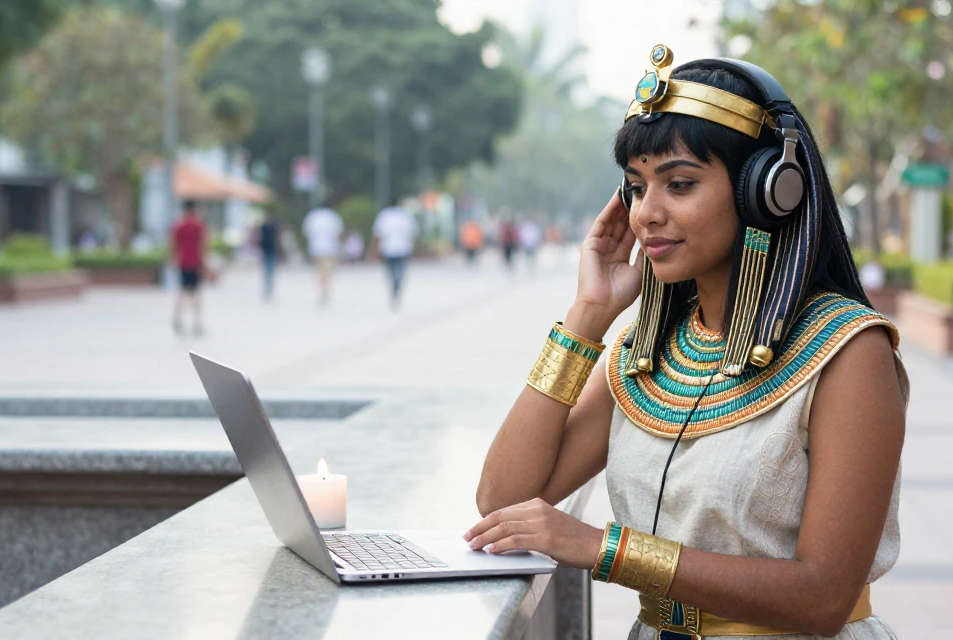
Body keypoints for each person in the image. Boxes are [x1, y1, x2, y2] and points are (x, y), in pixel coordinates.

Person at [469, 46, 907, 640]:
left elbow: (823, 597)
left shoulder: (848, 353)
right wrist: (587, 317)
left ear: (767, 191)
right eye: (635, 187)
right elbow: (502, 503)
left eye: (678, 184)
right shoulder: (644, 352)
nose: (647, 213)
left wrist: (606, 550)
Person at [169, 200, 207, 336]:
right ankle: (197, 323)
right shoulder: (198, 225)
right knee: (196, 293)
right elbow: (203, 245)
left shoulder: (179, 225)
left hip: (183, 262)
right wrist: (204, 264)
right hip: (195, 262)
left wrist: (172, 261)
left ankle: (177, 317)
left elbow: (173, 245)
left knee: (183, 291)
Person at [372, 203, 418, 309]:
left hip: (388, 249)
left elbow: (378, 234)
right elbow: (413, 233)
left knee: (391, 272)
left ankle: (394, 287)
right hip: (403, 249)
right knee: (400, 273)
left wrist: (375, 248)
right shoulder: (405, 216)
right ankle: (396, 287)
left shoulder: (384, 216)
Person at [302, 198, 344, 304]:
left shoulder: (313, 216)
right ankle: (325, 290)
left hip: (315, 248)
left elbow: (306, 233)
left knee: (319, 271)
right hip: (330, 249)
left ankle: (322, 289)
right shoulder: (333, 217)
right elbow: (339, 233)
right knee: (328, 271)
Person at [257, 213, 281, 302]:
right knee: (268, 270)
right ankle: (268, 287)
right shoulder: (266, 227)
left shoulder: (266, 227)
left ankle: (268, 287)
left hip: (268, 250)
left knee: (268, 270)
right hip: (267, 250)